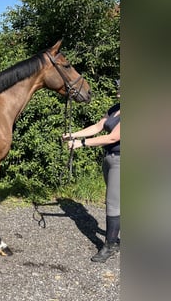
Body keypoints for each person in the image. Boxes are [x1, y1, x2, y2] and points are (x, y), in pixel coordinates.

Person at [62, 82, 120, 263]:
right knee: (118, 201)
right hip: (109, 159)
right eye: (117, 88)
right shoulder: (115, 108)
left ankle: (110, 245)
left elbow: (113, 137)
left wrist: (83, 143)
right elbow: (97, 127)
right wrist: (74, 135)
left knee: (112, 203)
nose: (118, 91)